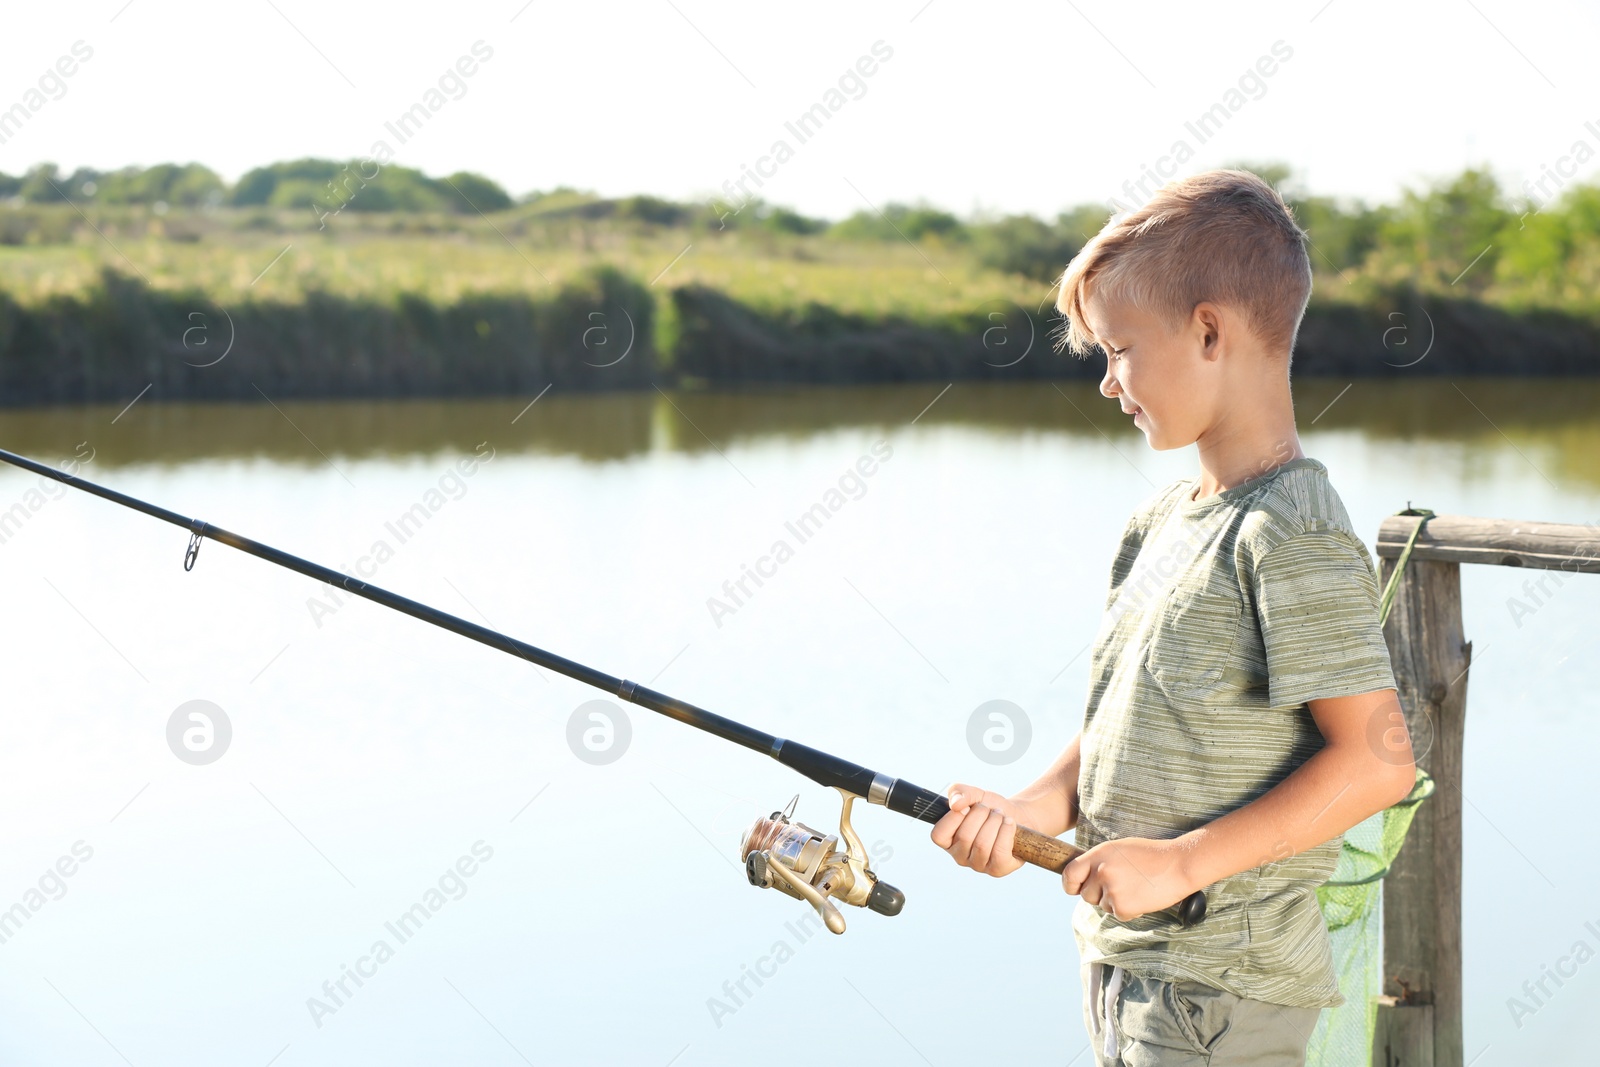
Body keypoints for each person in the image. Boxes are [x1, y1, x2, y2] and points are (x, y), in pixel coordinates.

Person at [931, 169, 1417, 1066]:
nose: (1110, 383)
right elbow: (1127, 717)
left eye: (1119, 349)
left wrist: (1183, 862)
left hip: (1224, 992)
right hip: (1127, 971)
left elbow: (1379, 760)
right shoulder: (1160, 523)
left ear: (1207, 332)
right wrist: (1029, 810)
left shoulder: (1291, 533)